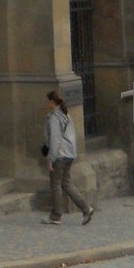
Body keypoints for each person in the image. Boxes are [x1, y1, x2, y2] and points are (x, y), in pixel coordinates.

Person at [42, 88, 93, 225]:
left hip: (59, 155)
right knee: (66, 184)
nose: (47, 104)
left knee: (56, 185)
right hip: (69, 154)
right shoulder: (66, 115)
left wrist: (50, 159)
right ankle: (86, 208)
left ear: (52, 102)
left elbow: (55, 140)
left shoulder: (54, 118)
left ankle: (56, 215)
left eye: (48, 101)